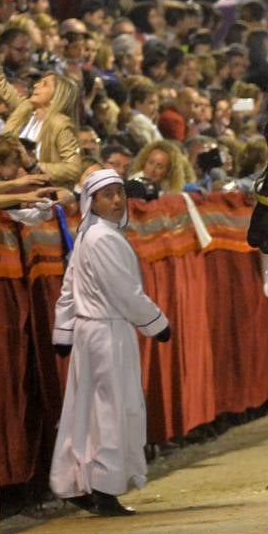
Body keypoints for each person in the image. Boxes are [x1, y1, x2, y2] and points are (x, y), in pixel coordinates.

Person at [50, 169, 171, 516]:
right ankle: (104, 486)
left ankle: (76, 481)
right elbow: (125, 293)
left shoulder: (89, 235)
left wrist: (65, 330)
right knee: (111, 408)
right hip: (107, 333)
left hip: (93, 333)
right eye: (108, 195)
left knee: (85, 409)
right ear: (93, 201)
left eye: (120, 193)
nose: (117, 201)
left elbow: (68, 289)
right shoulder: (102, 238)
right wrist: (156, 323)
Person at [0, 42, 82, 187]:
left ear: (58, 96)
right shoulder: (24, 108)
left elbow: (73, 169)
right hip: (7, 182)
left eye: (44, 84)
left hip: (37, 189)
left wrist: (32, 164)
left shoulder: (61, 124)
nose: (35, 85)